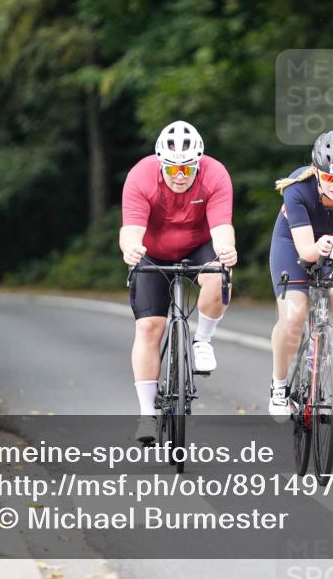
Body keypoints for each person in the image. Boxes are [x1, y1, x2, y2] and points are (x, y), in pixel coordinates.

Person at [119, 120, 237, 440]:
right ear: (161, 166)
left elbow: (222, 227)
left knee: (217, 274)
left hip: (199, 245)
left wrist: (227, 249)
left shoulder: (215, 175)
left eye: (188, 169)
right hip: (153, 251)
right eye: (173, 171)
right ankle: (147, 414)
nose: (180, 176)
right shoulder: (141, 176)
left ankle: (203, 340)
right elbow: (130, 229)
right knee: (148, 328)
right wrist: (131, 249)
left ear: (199, 164)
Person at [268, 130, 333, 418]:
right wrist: (319, 248)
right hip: (295, 243)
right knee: (293, 314)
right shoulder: (297, 187)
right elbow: (305, 253)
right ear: (316, 171)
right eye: (329, 177)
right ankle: (278, 388)